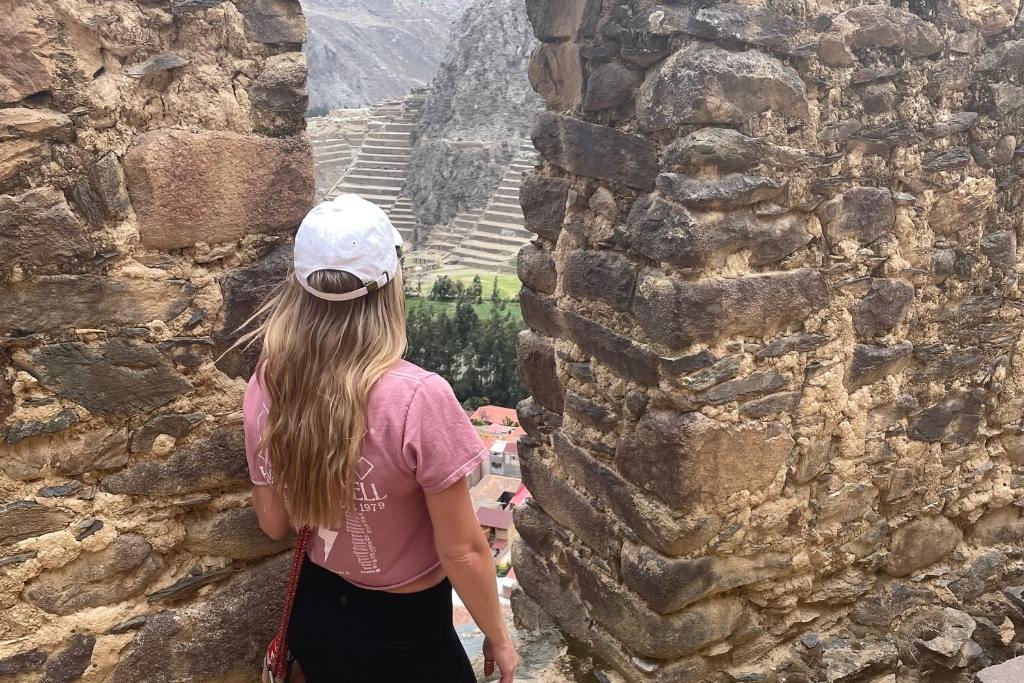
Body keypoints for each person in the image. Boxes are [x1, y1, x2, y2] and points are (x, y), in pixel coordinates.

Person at [237, 194, 519, 682]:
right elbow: (463, 551)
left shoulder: (270, 382)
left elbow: (273, 523)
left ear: (300, 289)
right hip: (404, 632)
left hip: (318, 609)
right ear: (390, 287)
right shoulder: (417, 398)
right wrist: (498, 638)